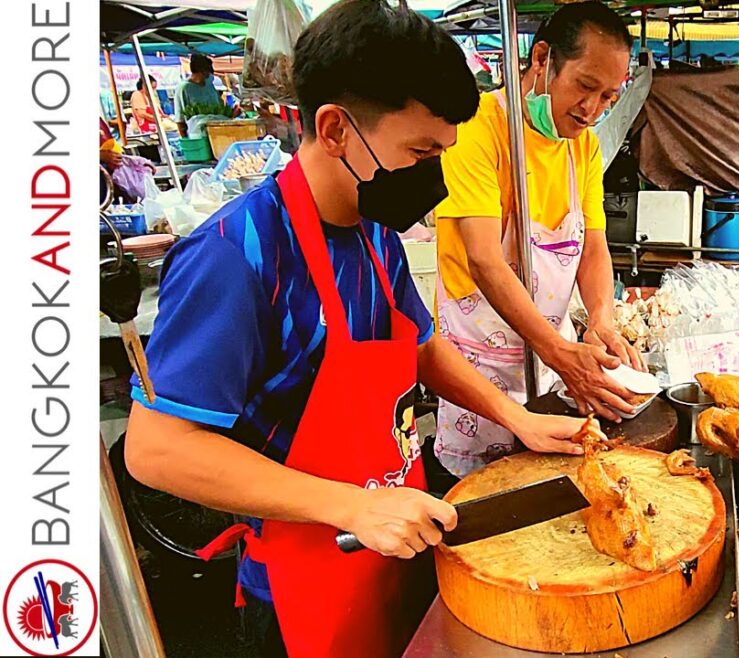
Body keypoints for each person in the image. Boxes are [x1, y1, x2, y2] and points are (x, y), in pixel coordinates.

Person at [123, 4, 588, 657]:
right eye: (421, 152)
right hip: (304, 586)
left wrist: (514, 415)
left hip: (398, 542)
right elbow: (156, 449)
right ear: (336, 128)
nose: (434, 177)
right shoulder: (237, 256)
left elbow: (420, 346)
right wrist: (349, 507)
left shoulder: (375, 231)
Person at [432, 2, 640, 477]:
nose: (592, 110)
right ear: (542, 58)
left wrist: (602, 322)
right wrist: (559, 352)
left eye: (609, 96)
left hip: (550, 359)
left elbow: (593, 245)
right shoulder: (478, 128)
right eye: (585, 87)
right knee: (487, 497)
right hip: (481, 356)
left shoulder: (582, 146)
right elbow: (484, 259)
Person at [174, 54, 224, 136]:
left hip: (217, 132)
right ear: (202, 71)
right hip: (197, 135)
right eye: (208, 71)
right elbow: (180, 119)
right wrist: (185, 140)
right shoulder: (184, 88)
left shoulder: (209, 85)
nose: (209, 74)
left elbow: (219, 106)